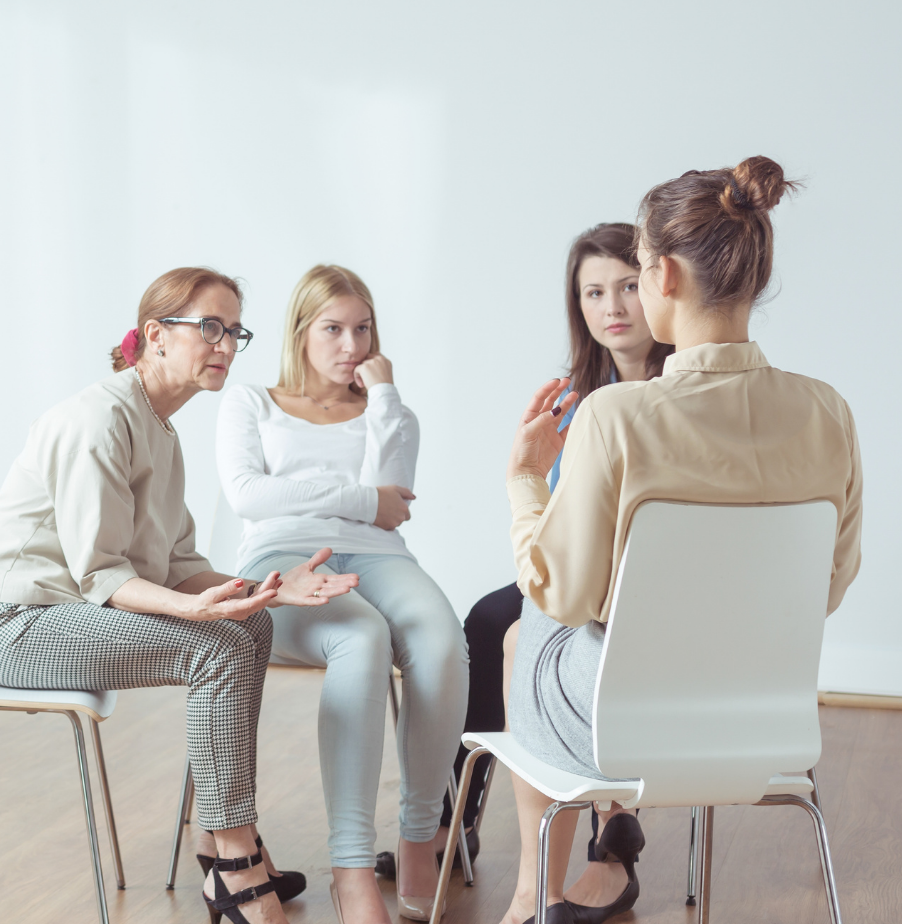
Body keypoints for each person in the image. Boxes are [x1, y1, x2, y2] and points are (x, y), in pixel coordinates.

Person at [497, 156, 862, 924]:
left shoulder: (615, 416)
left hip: (619, 727)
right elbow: (827, 586)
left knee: (529, 617)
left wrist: (527, 483)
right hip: (765, 724)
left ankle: (535, 893)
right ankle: (580, 869)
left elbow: (562, 592)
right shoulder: (829, 413)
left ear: (659, 277)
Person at [0, 267, 362, 924]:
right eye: (209, 327)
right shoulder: (99, 419)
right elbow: (101, 576)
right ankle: (233, 862)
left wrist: (268, 591)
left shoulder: (161, 431)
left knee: (249, 630)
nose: (225, 344)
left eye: (234, 331)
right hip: (14, 622)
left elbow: (177, 563)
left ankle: (215, 838)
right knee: (218, 647)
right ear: (155, 336)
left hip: (64, 611)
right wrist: (196, 610)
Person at [210, 265, 468, 924]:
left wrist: (384, 396)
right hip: (281, 559)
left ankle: (418, 840)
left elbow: (394, 507)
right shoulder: (251, 402)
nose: (350, 345)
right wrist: (357, 499)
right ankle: (351, 871)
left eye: (362, 329)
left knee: (441, 641)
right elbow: (249, 494)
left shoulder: (390, 410)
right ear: (300, 332)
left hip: (381, 557)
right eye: (332, 328)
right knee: (361, 636)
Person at [444, 223, 675, 916]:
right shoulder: (571, 396)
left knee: (525, 637)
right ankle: (456, 823)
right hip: (581, 568)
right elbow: (561, 536)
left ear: (661, 287)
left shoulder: (680, 393)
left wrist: (524, 480)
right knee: (485, 621)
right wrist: (533, 470)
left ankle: (591, 850)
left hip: (640, 583)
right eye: (593, 292)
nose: (613, 307)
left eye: (628, 287)